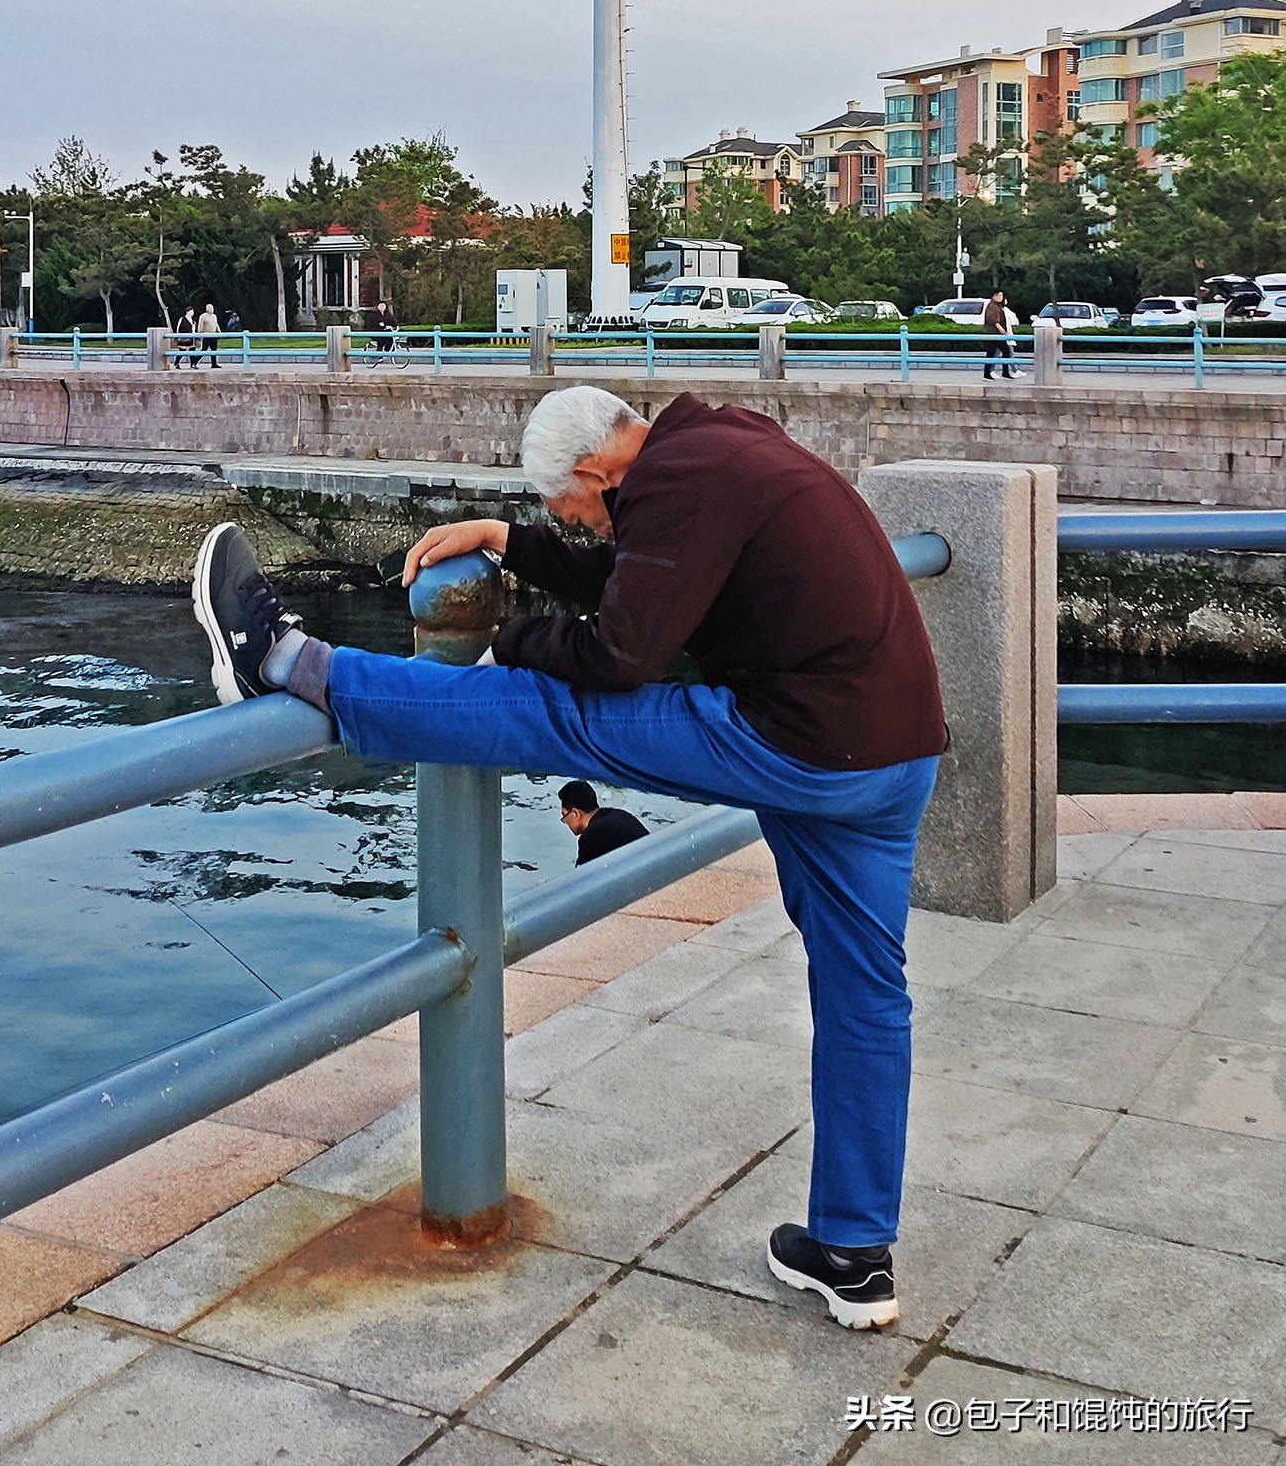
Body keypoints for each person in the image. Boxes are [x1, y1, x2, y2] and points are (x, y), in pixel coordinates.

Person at [190, 386, 945, 1333]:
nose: (573, 526)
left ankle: (283, 662)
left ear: (596, 471)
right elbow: (644, 570)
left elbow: (623, 649)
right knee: (867, 993)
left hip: (798, 740)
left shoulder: (676, 480)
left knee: (550, 710)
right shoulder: (715, 446)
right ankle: (853, 1253)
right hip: (894, 748)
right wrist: (508, 539)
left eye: (566, 508)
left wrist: (502, 646)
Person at [557, 780, 649, 866]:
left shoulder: (592, 835)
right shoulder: (620, 815)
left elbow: (584, 878)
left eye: (564, 816)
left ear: (575, 813)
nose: (565, 821)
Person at [982, 290, 1015, 380]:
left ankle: (1004, 372)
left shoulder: (997, 306)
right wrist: (1000, 328)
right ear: (994, 295)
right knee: (992, 354)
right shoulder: (992, 306)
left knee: (1003, 352)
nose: (1001, 297)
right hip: (993, 334)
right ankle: (987, 374)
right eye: (999, 295)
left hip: (997, 334)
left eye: (1002, 295)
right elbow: (992, 319)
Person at [195, 302, 221, 370]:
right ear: (207, 309)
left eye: (212, 308)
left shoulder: (214, 316)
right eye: (210, 308)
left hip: (214, 335)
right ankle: (195, 361)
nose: (212, 309)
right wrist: (200, 334)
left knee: (214, 349)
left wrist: (219, 331)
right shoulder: (203, 316)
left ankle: (214, 363)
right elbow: (200, 326)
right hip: (206, 335)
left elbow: (216, 324)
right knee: (204, 349)